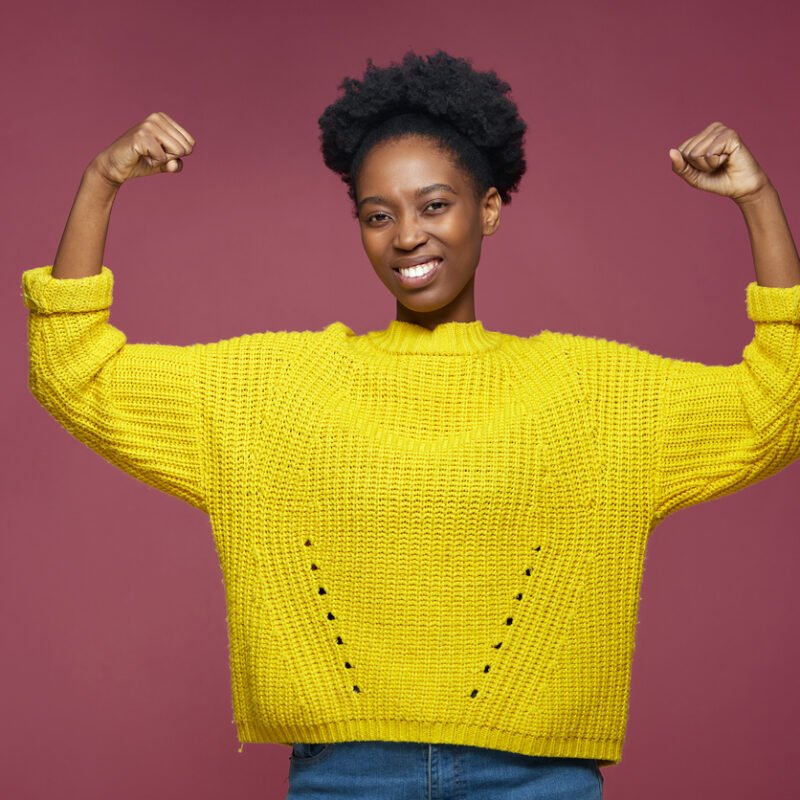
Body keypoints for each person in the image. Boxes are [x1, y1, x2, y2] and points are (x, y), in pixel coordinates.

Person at [20, 50, 800, 800]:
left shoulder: (594, 392)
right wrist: (102, 180)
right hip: (345, 778)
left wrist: (757, 200)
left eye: (435, 205)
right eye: (377, 214)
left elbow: (779, 404)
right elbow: (73, 368)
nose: (406, 236)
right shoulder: (272, 388)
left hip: (538, 779)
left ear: (488, 207)